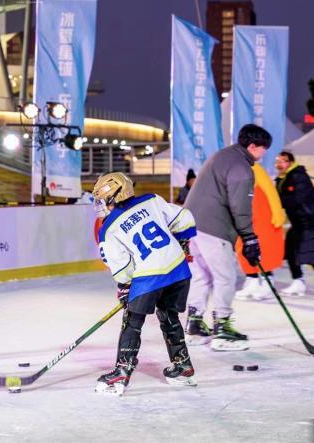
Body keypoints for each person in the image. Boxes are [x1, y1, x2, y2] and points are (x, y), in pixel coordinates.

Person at [93, 172, 197, 396]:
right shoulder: (151, 200)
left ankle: (122, 371)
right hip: (178, 270)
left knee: (132, 321)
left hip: (149, 276)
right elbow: (185, 218)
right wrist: (183, 243)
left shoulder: (108, 228)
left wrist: (124, 288)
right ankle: (182, 365)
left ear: (114, 197)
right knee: (169, 316)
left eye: (103, 200)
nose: (101, 206)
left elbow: (122, 267)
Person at [183, 124, 271, 351]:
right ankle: (222, 328)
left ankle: (194, 324)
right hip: (214, 228)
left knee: (201, 276)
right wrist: (249, 237)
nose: (264, 153)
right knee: (225, 277)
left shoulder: (222, 156)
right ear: (252, 146)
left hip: (192, 226)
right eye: (264, 148)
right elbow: (240, 207)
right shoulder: (242, 168)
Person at [275, 151, 314, 296]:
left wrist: (276, 203)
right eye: (277, 161)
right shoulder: (282, 179)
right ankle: (298, 281)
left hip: (311, 220)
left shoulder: (298, 176)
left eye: (282, 161)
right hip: (299, 221)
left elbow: (297, 198)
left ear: (290, 162)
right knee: (290, 249)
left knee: (308, 252)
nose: (279, 164)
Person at [234, 163, 285, 301]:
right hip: (246, 219)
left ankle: (268, 280)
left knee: (264, 248)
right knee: (243, 249)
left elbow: (270, 192)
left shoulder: (255, 170)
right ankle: (252, 280)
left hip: (262, 217)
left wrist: (277, 213)